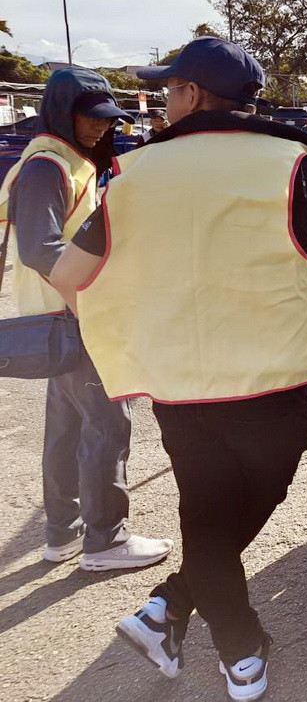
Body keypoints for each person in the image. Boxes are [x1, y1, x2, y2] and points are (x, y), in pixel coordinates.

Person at [48, 37, 307, 702]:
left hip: (180, 390)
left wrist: (138, 323)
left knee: (207, 518)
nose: (162, 100)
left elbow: (70, 277)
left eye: (169, 88)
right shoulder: (296, 168)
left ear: (192, 95)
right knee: (238, 512)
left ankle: (172, 609)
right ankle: (240, 652)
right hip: (273, 387)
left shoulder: (133, 174)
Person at [0, 68, 173, 572]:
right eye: (89, 117)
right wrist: (92, 307)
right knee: (105, 428)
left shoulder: (54, 162)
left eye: (105, 119)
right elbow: (40, 248)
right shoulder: (47, 168)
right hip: (76, 318)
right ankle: (105, 541)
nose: (100, 128)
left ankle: (64, 533)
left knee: (69, 429)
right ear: (60, 111)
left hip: (60, 318)